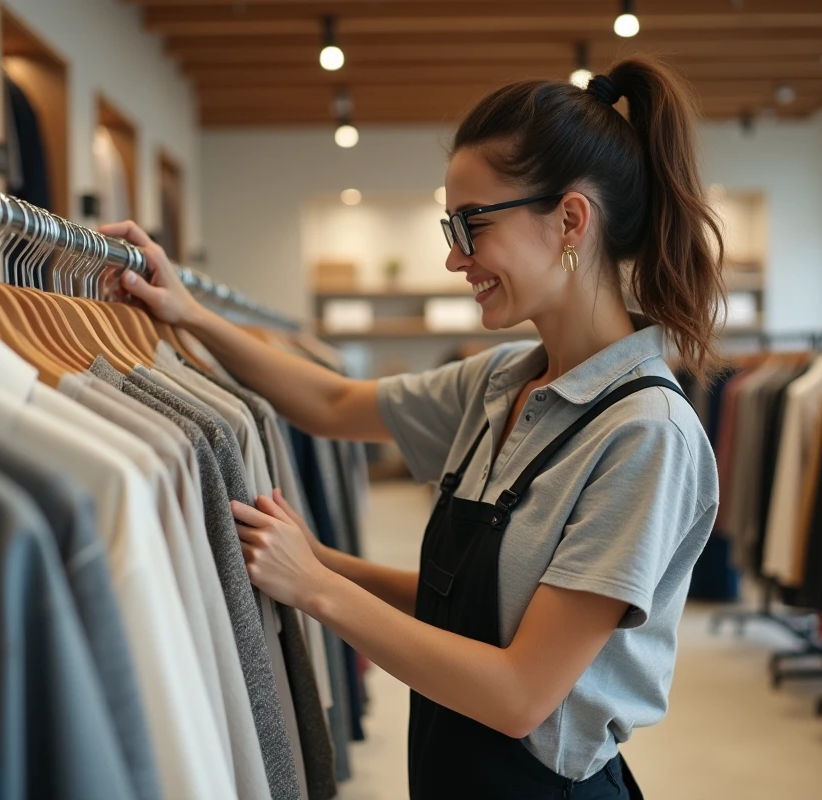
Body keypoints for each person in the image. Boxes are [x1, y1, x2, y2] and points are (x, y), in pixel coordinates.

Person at [103, 56, 724, 800]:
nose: (454, 256)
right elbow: (334, 408)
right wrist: (190, 316)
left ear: (570, 219)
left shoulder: (645, 435)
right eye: (450, 226)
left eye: (472, 225)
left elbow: (520, 692)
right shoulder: (499, 381)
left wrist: (319, 590)